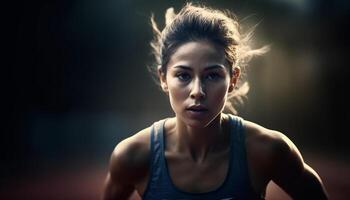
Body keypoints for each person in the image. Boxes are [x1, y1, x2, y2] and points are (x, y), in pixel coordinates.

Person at [102, 3, 328, 200]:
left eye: (212, 75)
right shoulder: (133, 156)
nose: (197, 91)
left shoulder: (268, 150)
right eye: (183, 75)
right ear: (163, 78)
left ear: (233, 79)